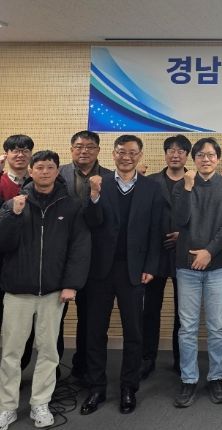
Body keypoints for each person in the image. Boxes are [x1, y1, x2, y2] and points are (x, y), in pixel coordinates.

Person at [0, 150, 90, 430]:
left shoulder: (70, 206)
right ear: (31, 170)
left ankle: (40, 403)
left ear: (57, 171)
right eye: (39, 167)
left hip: (53, 292)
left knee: (49, 352)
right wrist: (12, 215)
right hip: (17, 291)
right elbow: (3, 244)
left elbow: (79, 247)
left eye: (50, 167)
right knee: (11, 353)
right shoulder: (15, 203)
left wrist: (71, 284)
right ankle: (6, 406)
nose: (45, 172)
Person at [80, 135, 163, 416]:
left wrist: (151, 266)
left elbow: (156, 230)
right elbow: (91, 223)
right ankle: (96, 388)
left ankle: (129, 387)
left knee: (134, 332)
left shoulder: (151, 188)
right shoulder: (99, 183)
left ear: (140, 155)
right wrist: (93, 197)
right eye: (121, 152)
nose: (126, 157)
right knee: (95, 331)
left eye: (132, 152)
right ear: (113, 154)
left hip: (134, 270)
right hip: (100, 271)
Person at [172, 138, 222, 408]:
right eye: (200, 155)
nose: (206, 159)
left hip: (217, 266)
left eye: (210, 155)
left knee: (216, 325)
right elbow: (179, 220)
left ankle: (216, 377)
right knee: (187, 327)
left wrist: (209, 252)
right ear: (194, 158)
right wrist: (187, 188)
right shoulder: (182, 184)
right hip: (186, 265)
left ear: (218, 158)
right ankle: (188, 379)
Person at [58, 130, 112, 380]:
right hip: (60, 258)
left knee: (91, 319)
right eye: (79, 146)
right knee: (56, 319)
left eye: (90, 146)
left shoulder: (110, 178)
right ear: (71, 149)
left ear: (98, 150)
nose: (84, 151)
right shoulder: (58, 174)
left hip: (97, 258)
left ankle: (85, 368)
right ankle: (53, 372)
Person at [142, 134, 191, 378]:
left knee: (184, 312)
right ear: (165, 154)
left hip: (185, 254)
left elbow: (205, 216)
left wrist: (185, 235)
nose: (175, 154)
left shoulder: (195, 181)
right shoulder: (150, 182)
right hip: (155, 253)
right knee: (150, 309)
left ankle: (181, 359)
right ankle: (147, 358)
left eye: (180, 150)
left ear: (187, 156)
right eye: (171, 150)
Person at [0, 135, 35, 374]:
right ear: (7, 154)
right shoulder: (1, 181)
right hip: (1, 260)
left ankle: (18, 371)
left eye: (24, 150)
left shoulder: (39, 182)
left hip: (26, 264)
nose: (20, 154)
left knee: (24, 324)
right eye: (15, 150)